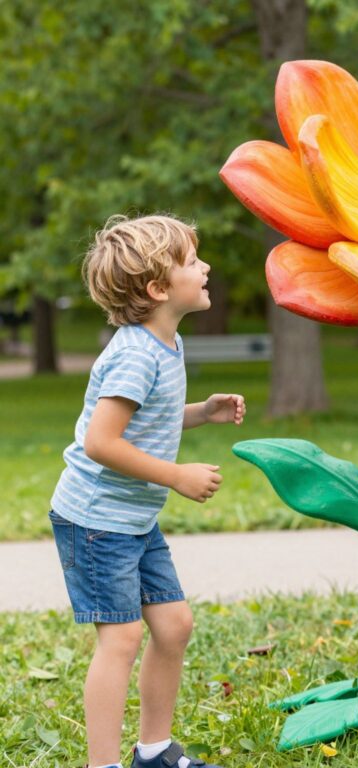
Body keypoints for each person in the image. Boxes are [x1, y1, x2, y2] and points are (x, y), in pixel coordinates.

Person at [49, 214, 245, 768]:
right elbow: (101, 443)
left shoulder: (166, 344)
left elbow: (147, 422)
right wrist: (177, 475)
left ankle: (154, 751)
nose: (205, 267)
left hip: (131, 518)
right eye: (191, 261)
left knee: (175, 625)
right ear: (159, 289)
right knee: (122, 638)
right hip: (95, 520)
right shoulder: (135, 353)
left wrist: (201, 414)